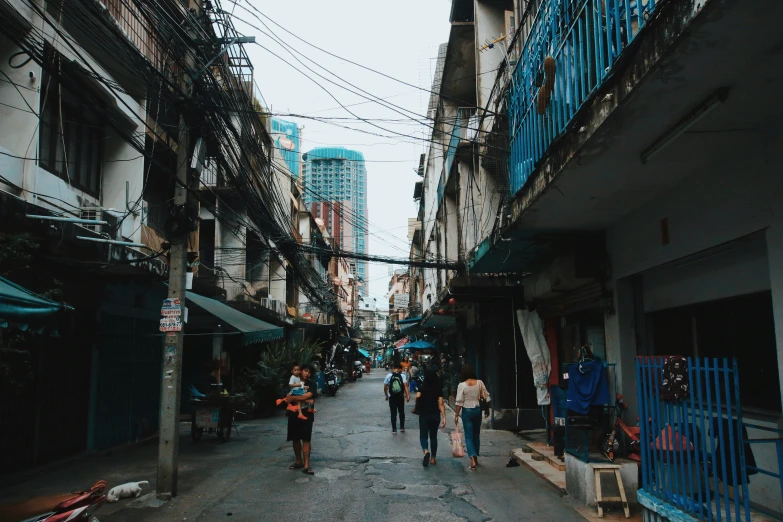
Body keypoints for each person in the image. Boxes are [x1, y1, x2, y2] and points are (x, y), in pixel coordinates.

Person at [454, 364, 490, 471]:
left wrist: (456, 415)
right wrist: (487, 409)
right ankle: (475, 457)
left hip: (467, 411)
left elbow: (459, 402)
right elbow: (487, 397)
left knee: (469, 436)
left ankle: (472, 459)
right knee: (476, 435)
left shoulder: (462, 385)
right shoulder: (479, 382)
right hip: (477, 410)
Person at [286, 364, 318, 475]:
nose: (307, 374)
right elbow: (287, 398)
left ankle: (306, 465)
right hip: (293, 414)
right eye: (305, 371)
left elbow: (305, 397)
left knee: (306, 439)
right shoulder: (294, 381)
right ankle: (298, 461)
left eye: (309, 372)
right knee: (295, 439)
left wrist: (293, 398)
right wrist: (291, 398)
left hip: (307, 414)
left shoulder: (312, 384)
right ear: (301, 371)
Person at [416, 368, 446, 467]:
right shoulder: (438, 389)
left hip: (424, 414)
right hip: (435, 415)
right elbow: (441, 404)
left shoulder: (422, 387)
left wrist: (417, 405)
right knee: (433, 436)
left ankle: (425, 451)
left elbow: (417, 397)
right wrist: (444, 417)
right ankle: (433, 458)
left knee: (423, 436)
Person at [384, 361, 410, 434]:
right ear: (400, 369)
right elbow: (405, 385)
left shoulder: (388, 376)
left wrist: (386, 396)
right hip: (400, 397)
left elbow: (385, 387)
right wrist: (407, 396)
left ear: (393, 368)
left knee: (393, 413)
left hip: (392, 397)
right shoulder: (402, 375)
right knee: (401, 412)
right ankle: (402, 427)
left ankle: (394, 429)